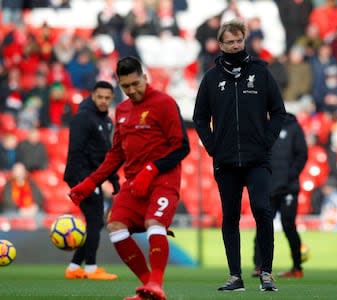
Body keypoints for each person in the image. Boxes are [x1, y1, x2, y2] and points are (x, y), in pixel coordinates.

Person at [68, 56, 190, 300]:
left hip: (163, 181)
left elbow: (181, 147)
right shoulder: (122, 110)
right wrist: (90, 182)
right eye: (126, 87)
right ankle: (148, 287)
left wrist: (151, 169)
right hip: (134, 184)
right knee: (114, 226)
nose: (132, 91)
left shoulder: (165, 103)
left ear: (144, 78)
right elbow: (115, 155)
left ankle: (156, 282)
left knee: (154, 224)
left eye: (136, 84)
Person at [192, 19, 286, 292]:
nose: (235, 45)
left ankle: (266, 273)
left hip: (257, 159)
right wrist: (213, 148)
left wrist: (266, 142)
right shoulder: (211, 78)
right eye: (230, 42)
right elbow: (199, 119)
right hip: (226, 160)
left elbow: (279, 111)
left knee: (262, 210)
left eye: (239, 41)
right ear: (220, 45)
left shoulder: (261, 72)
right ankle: (235, 276)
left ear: (244, 40)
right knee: (230, 216)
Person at [63, 81, 120, 281]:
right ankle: (91, 268)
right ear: (93, 96)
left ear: (112, 98)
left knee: (95, 222)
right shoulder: (83, 118)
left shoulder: (106, 121)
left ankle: (74, 267)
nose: (103, 101)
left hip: (93, 177)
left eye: (107, 98)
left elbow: (106, 154)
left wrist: (113, 179)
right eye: (100, 97)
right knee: (95, 220)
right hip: (81, 176)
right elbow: (76, 151)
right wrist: (81, 181)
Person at [252, 112, 308, 279]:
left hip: (288, 188)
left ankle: (297, 267)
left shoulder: (293, 128)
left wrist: (289, 176)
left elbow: (302, 155)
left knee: (288, 225)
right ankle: (259, 266)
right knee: (263, 224)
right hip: (269, 187)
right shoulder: (263, 127)